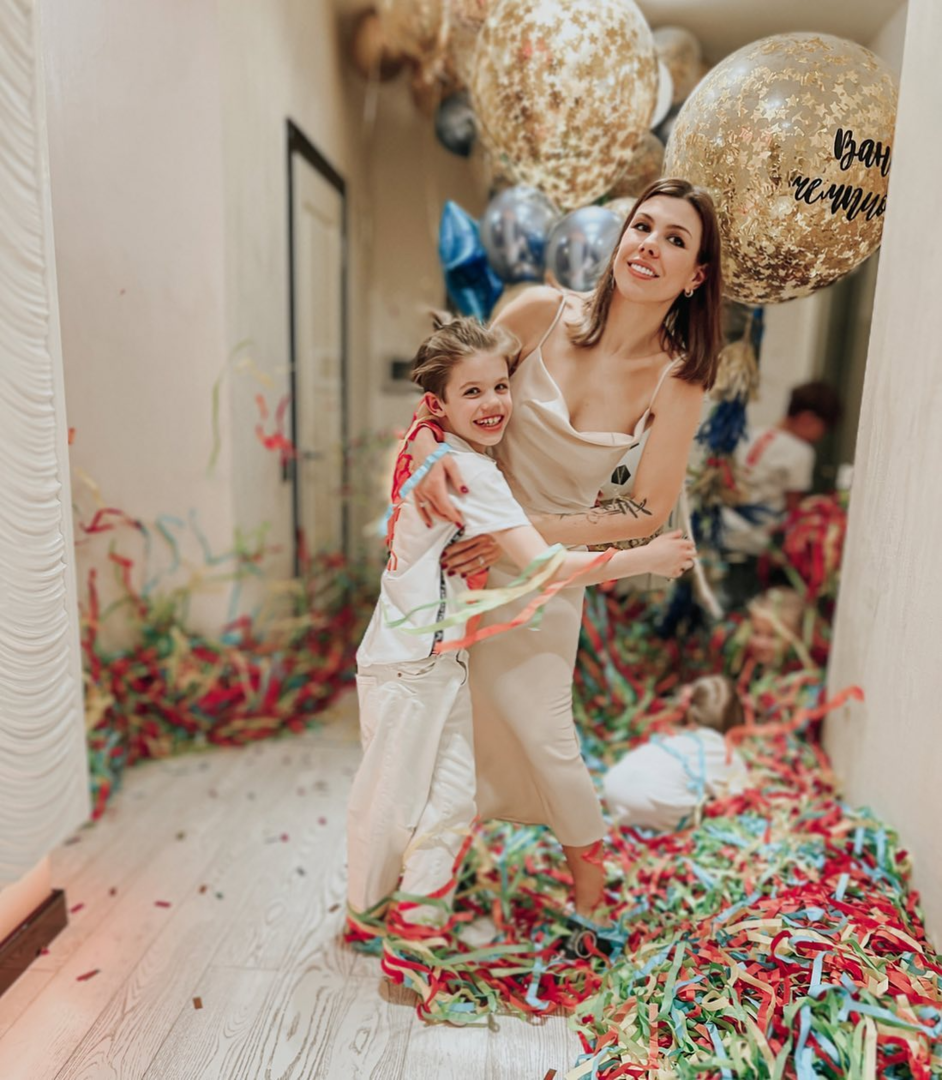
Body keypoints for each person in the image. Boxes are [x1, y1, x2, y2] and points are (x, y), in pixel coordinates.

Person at [406, 178, 725, 920]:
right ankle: (418, 884)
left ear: (696, 275)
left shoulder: (679, 378)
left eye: (675, 239)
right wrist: (431, 466)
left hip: (545, 576)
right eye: (642, 226)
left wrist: (515, 532)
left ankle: (592, 902)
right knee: (434, 724)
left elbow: (644, 512)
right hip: (455, 558)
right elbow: (445, 402)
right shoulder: (537, 311)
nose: (650, 245)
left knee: (547, 737)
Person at [346, 315, 697, 937]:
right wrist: (648, 558)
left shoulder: (442, 449)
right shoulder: (473, 472)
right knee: (392, 804)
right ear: (439, 404)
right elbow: (545, 568)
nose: (493, 403)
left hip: (434, 661)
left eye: (501, 386)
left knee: (451, 801)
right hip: (408, 665)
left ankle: (414, 930)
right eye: (472, 392)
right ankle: (368, 919)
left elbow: (425, 438)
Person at [721, 381, 842, 607]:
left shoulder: (751, 435)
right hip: (755, 544)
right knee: (746, 610)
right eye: (823, 428)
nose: (821, 437)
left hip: (723, 531)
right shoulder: (800, 451)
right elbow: (794, 508)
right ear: (807, 419)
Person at [602, 675, 748, 832]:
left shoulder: (674, 739)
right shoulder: (727, 754)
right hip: (655, 807)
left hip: (612, 790)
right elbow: (738, 796)